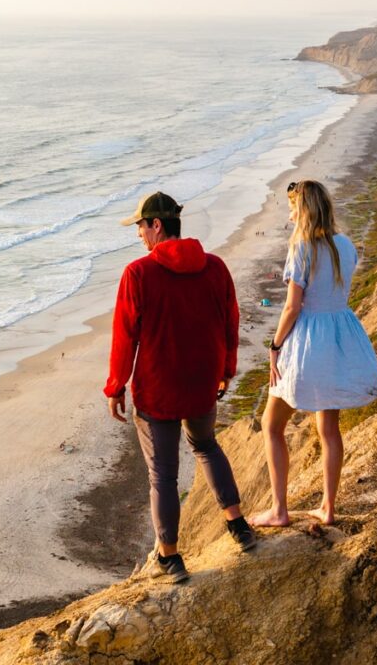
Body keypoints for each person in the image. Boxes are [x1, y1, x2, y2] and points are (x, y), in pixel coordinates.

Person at [105, 191, 256, 584]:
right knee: (206, 446)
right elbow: (230, 321)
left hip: (159, 389)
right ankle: (239, 526)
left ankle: (169, 557)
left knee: (163, 475)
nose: (138, 233)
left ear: (156, 225)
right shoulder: (216, 267)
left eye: (140, 226)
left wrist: (115, 386)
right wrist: (227, 369)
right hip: (203, 382)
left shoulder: (138, 274)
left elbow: (125, 338)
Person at [250, 180, 377, 527]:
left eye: (292, 206)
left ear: (303, 208)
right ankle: (328, 507)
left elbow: (293, 307)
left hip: (306, 341)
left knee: (272, 424)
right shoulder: (345, 244)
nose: (289, 213)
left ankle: (279, 510)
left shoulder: (302, 247)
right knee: (328, 428)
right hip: (339, 337)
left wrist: (275, 346)